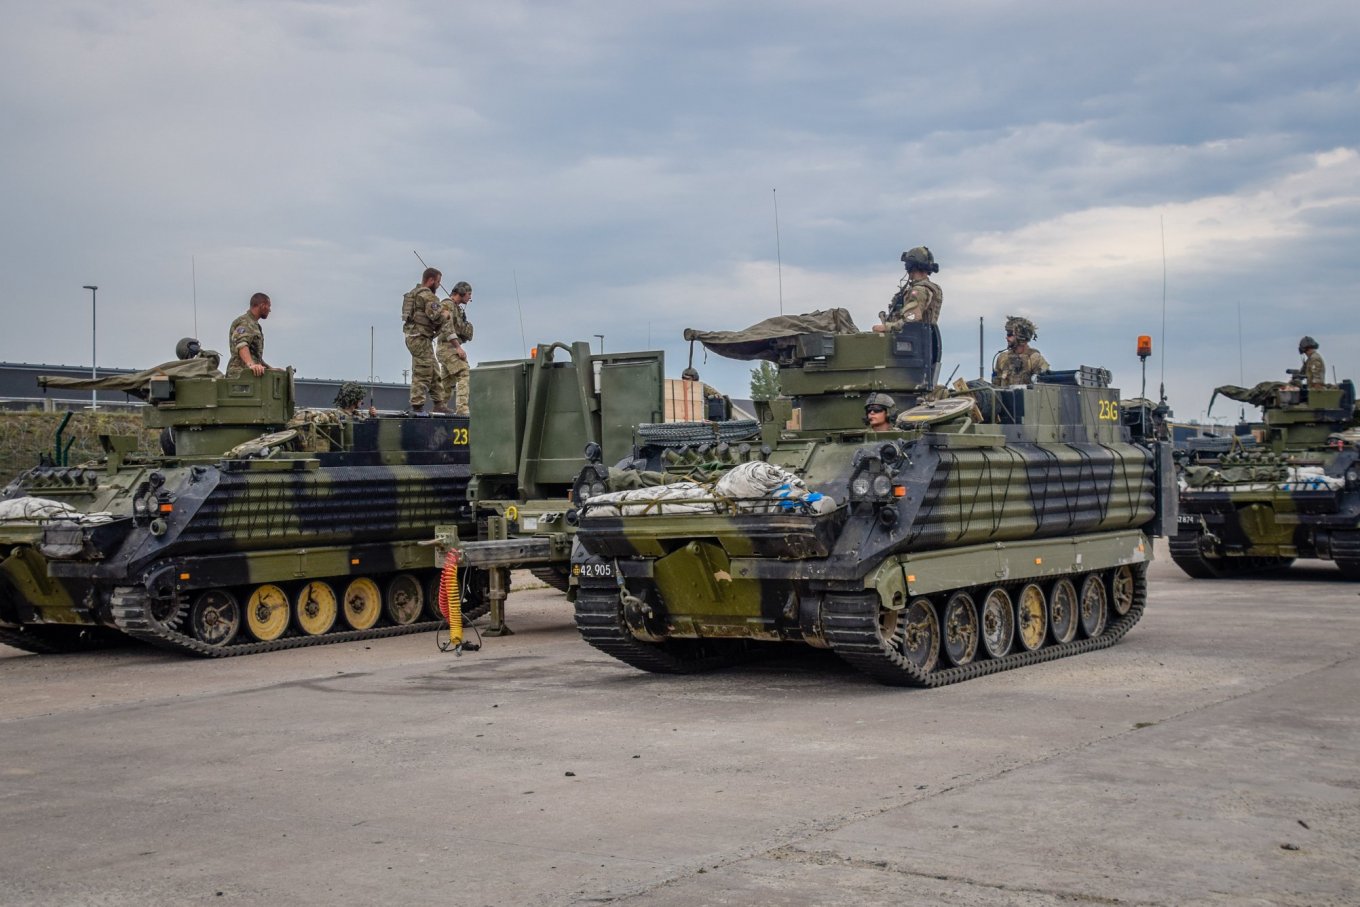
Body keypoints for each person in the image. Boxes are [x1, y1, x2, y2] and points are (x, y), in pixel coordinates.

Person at [402, 268, 449, 413]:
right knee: (423, 370)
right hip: (420, 337)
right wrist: (445, 314)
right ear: (431, 280)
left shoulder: (413, 293)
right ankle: (417, 405)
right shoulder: (428, 296)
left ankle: (439, 403)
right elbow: (436, 316)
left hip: (414, 336)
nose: (439, 285)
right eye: (438, 282)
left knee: (434, 369)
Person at [873, 247, 942, 333]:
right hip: (920, 339)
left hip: (911, 340)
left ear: (910, 265)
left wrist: (887, 327)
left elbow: (912, 318)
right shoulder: (931, 288)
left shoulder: (919, 291)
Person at [432, 281, 474, 415]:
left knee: (447, 382)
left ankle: (440, 409)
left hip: (446, 348)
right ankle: (462, 409)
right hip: (447, 347)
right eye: (468, 294)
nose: (470, 297)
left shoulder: (456, 308)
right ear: (461, 292)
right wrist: (458, 348)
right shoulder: (448, 305)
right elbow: (446, 326)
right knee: (463, 371)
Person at [992, 316, 1050, 386]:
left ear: (1020, 336)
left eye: (1010, 335)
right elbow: (996, 386)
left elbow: (1044, 388)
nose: (1006, 338)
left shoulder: (1035, 359)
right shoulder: (1002, 358)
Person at [226, 293, 271, 378]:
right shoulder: (245, 322)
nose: (269, 310)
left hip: (250, 376)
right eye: (268, 306)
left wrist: (270, 368)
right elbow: (241, 344)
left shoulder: (255, 325)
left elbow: (255, 355)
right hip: (239, 376)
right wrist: (251, 365)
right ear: (262, 305)